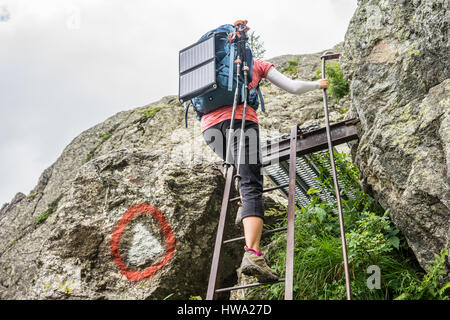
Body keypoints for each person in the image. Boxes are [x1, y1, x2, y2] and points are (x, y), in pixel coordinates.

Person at [201, 40, 329, 282]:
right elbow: (292, 87)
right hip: (241, 123)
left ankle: (243, 211)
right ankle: (253, 254)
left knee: (242, 171)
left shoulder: (211, 69)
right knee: (251, 184)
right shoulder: (255, 65)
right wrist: (317, 84)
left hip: (209, 130)